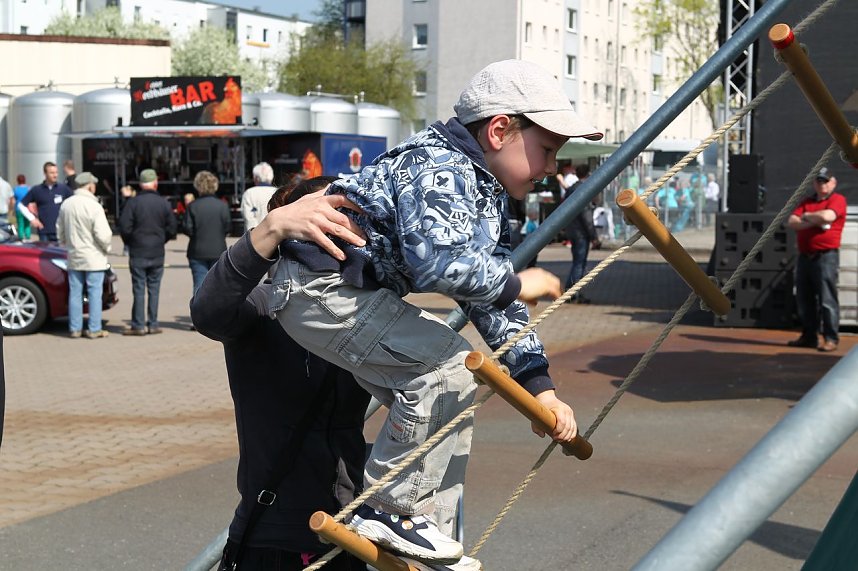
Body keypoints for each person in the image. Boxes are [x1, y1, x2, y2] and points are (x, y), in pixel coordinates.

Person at [271, 59, 597, 566]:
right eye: (548, 150)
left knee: (452, 401)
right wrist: (517, 280)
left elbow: (489, 300)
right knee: (446, 367)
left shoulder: (485, 196)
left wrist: (542, 388)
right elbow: (438, 265)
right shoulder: (439, 167)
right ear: (499, 130)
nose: (553, 167)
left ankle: (428, 541)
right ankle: (388, 507)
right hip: (319, 286)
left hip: (349, 293)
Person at [191, 179, 373, 571]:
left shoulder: (366, 310)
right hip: (274, 538)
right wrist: (270, 228)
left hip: (348, 529)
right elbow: (207, 311)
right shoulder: (262, 307)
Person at [787, 167, 846, 353]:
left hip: (826, 256)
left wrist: (806, 217)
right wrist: (817, 220)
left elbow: (829, 216)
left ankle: (830, 338)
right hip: (805, 257)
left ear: (833, 183)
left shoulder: (838, 200)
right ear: (814, 183)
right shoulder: (807, 201)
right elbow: (792, 222)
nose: (822, 184)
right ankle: (809, 336)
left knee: (827, 299)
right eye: (819, 181)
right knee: (805, 299)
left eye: (826, 181)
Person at [118, 168, 177, 336]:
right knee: (154, 288)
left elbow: (124, 227)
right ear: (156, 183)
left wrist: (131, 242)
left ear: (140, 184)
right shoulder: (164, 203)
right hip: (157, 251)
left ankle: (138, 325)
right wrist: (162, 239)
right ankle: (153, 323)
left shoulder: (133, 203)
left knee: (138, 288)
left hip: (138, 251)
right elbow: (172, 228)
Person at [56, 172, 113, 339]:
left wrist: (65, 243)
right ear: (89, 185)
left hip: (74, 255)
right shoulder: (93, 205)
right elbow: (103, 234)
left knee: (75, 292)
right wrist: (106, 248)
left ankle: (75, 328)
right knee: (94, 292)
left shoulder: (67, 204)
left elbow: (60, 230)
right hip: (93, 256)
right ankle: (94, 328)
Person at [183, 171, 231, 297]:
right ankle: (215, 315)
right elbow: (228, 227)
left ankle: (199, 315)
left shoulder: (192, 206)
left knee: (199, 284)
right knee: (217, 286)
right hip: (218, 250)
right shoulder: (223, 206)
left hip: (197, 250)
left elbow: (187, 228)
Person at [563, 164, 600, 304]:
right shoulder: (584, 190)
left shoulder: (570, 189)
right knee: (580, 263)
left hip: (572, 230)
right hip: (581, 232)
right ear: (588, 174)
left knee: (576, 262)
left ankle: (569, 291)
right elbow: (586, 216)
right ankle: (574, 293)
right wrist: (594, 237)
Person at [16, 161, 73, 241]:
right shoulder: (37, 190)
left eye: (56, 172)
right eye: (52, 173)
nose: (55, 175)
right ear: (45, 173)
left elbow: (75, 201)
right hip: (44, 232)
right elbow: (21, 205)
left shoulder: (63, 189)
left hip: (60, 231)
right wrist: (32, 219)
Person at [240, 161, 276, 231]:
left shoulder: (249, 193)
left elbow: (248, 218)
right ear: (272, 176)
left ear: (255, 177)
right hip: (275, 237)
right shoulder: (278, 192)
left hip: (254, 237)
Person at [12, 175, 31, 240]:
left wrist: (13, 210)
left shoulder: (15, 189)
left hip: (18, 209)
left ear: (18, 180)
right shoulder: (28, 189)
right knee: (27, 224)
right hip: (27, 209)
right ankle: (28, 237)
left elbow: (13, 201)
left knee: (20, 224)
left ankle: (21, 237)